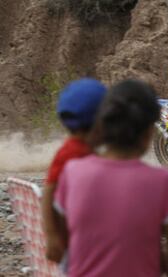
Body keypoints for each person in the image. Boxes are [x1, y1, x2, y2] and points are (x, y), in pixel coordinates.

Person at [51, 79, 168, 277]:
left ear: (102, 124)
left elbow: (66, 247)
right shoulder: (164, 182)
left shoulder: (72, 173)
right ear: (149, 132)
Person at [42, 78, 107, 262]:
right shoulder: (71, 153)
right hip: (76, 246)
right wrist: (52, 236)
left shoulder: (83, 150)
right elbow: (49, 191)